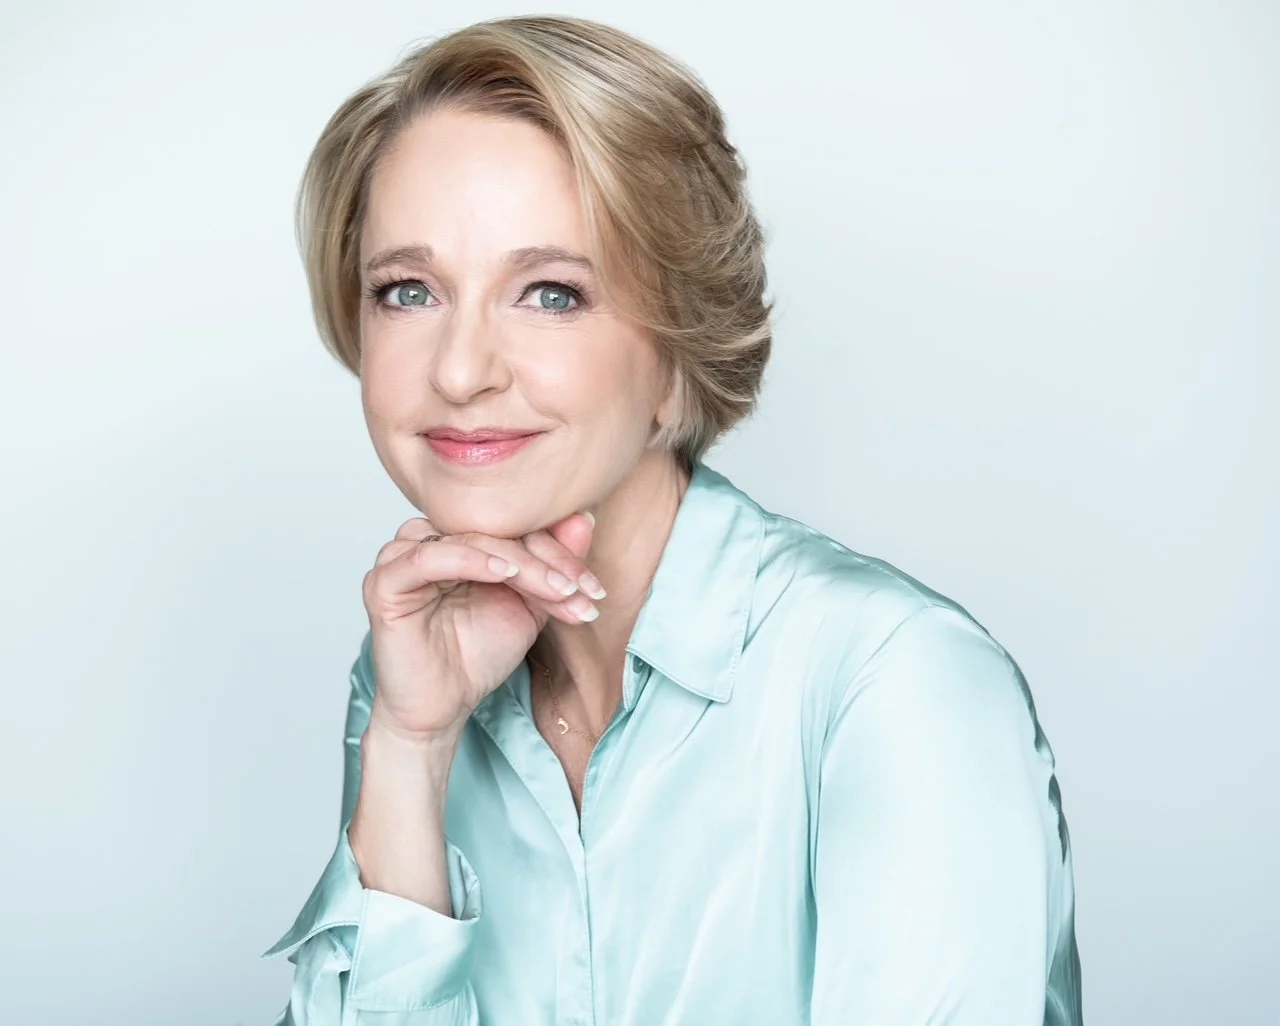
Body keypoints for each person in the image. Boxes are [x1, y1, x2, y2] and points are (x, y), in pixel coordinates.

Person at [261, 14, 1082, 1025]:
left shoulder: (889, 681)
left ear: (676, 347)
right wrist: (407, 748)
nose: (460, 370)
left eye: (550, 293)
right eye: (409, 291)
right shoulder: (416, 671)